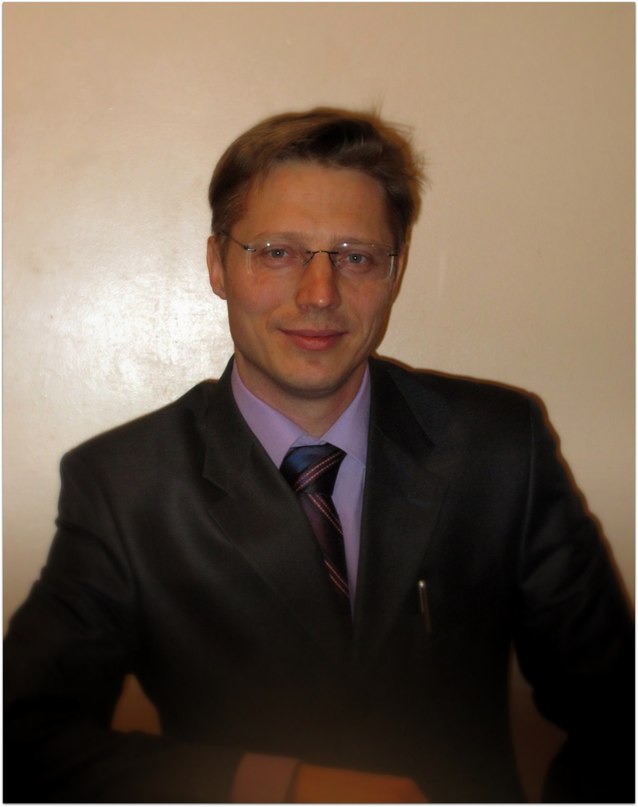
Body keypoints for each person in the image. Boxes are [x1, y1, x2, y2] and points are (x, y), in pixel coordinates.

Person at [4, 108, 633, 804]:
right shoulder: (125, 486)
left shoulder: (498, 448)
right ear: (217, 265)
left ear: (395, 272)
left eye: (355, 257)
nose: (320, 294)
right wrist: (282, 788)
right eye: (278, 252)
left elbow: (620, 714)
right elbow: (22, 738)